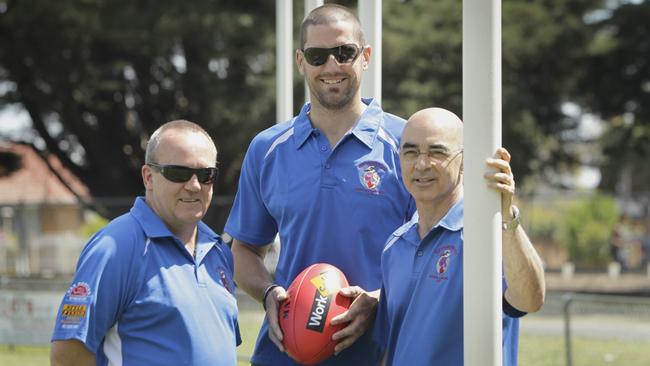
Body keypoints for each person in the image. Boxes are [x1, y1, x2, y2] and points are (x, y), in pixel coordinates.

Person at [224, 4, 413, 365]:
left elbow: (431, 251)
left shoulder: (407, 144)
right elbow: (244, 250)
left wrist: (378, 297)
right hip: (285, 354)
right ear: (300, 61)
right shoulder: (267, 148)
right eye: (317, 55)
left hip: (381, 353)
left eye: (344, 53)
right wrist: (267, 293)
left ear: (366, 57)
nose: (331, 66)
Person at [50, 120, 240, 366]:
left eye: (206, 175)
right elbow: (68, 354)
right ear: (149, 177)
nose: (194, 185)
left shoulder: (219, 251)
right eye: (178, 173)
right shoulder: (116, 246)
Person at [374, 108, 546, 365]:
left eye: (437, 152)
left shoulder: (486, 233)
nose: (421, 164)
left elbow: (530, 300)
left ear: (465, 160)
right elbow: (391, 344)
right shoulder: (395, 246)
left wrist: (507, 216)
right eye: (410, 152)